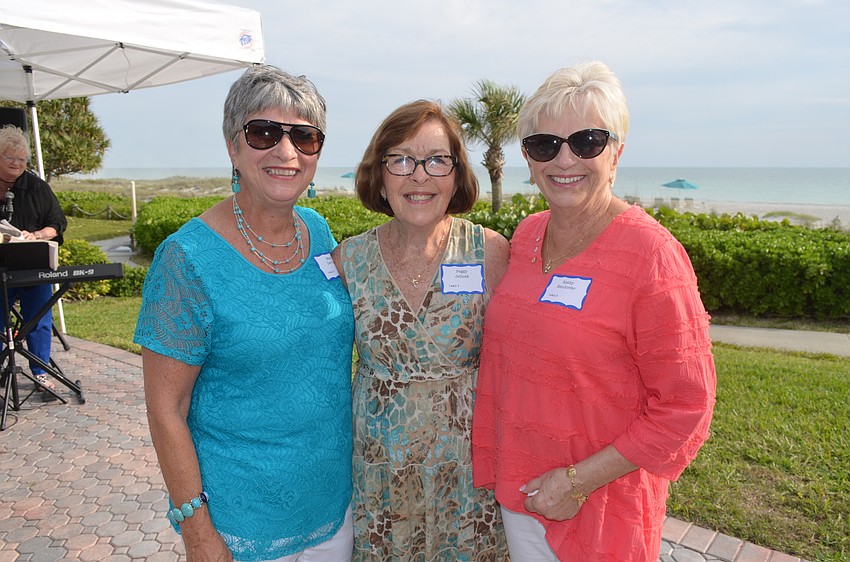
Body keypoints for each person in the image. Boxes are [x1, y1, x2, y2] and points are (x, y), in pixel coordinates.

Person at [471, 61, 717, 561]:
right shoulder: (528, 235)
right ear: (528, 157)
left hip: (599, 502)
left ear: (616, 154)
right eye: (545, 144)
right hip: (523, 489)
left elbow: (686, 406)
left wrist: (576, 483)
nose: (565, 159)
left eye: (586, 142)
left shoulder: (652, 255)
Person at [135, 65, 355, 562]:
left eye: (304, 137)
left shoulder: (318, 231)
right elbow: (165, 410)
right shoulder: (187, 259)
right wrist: (198, 535)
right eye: (264, 133)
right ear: (233, 146)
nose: (285, 152)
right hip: (241, 527)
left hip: (334, 508)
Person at [331, 100, 511, 561]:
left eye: (436, 160)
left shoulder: (490, 252)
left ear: (456, 175)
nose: (419, 176)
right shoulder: (348, 260)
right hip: (381, 474)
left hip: (467, 474)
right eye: (402, 159)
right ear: (381, 174)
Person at [0, 124, 67, 393]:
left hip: (33, 267)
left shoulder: (37, 187)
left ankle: (40, 372)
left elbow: (57, 223)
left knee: (39, 319)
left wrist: (38, 234)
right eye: (9, 157)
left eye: (22, 159)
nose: (17, 163)